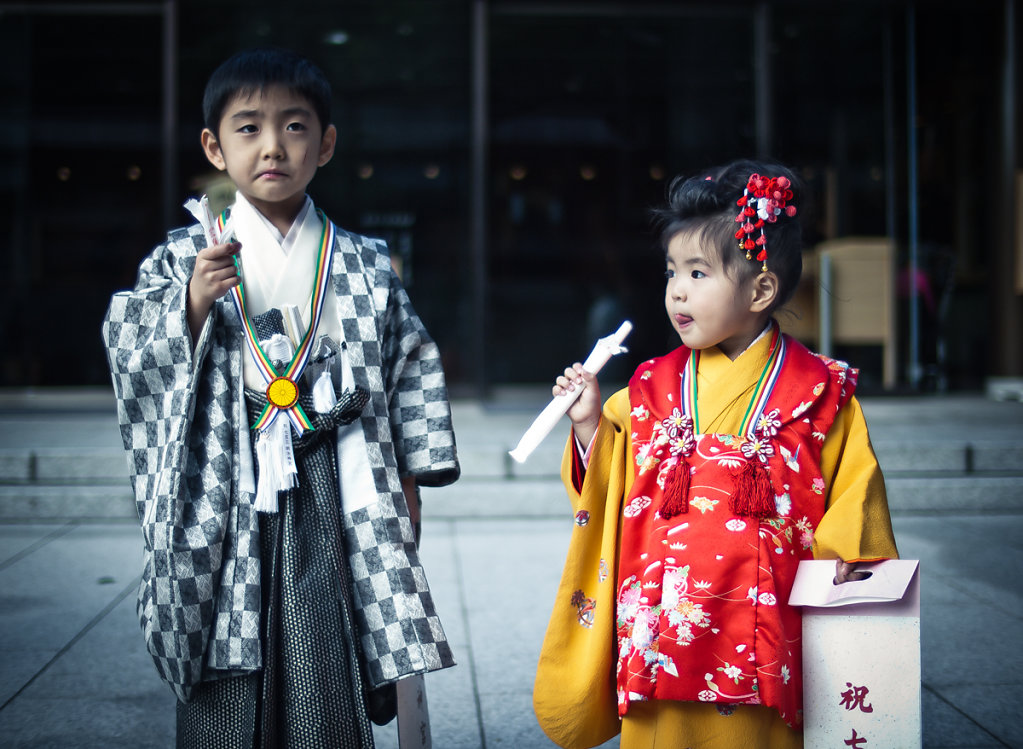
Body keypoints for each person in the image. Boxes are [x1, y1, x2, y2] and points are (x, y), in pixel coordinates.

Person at [102, 48, 459, 748]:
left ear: (325, 144)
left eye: (295, 127)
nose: (272, 146)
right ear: (214, 145)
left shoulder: (361, 261)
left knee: (324, 645)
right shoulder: (182, 257)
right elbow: (131, 349)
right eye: (248, 128)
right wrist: (191, 306)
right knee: (222, 650)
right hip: (223, 480)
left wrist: (410, 480)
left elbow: (411, 363)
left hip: (333, 474)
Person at [533, 160, 897, 749]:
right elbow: (605, 485)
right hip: (663, 631)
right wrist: (588, 426)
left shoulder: (822, 395)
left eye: (699, 273)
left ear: (762, 290)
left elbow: (856, 505)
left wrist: (845, 603)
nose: (677, 289)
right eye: (672, 271)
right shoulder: (647, 390)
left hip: (767, 628)